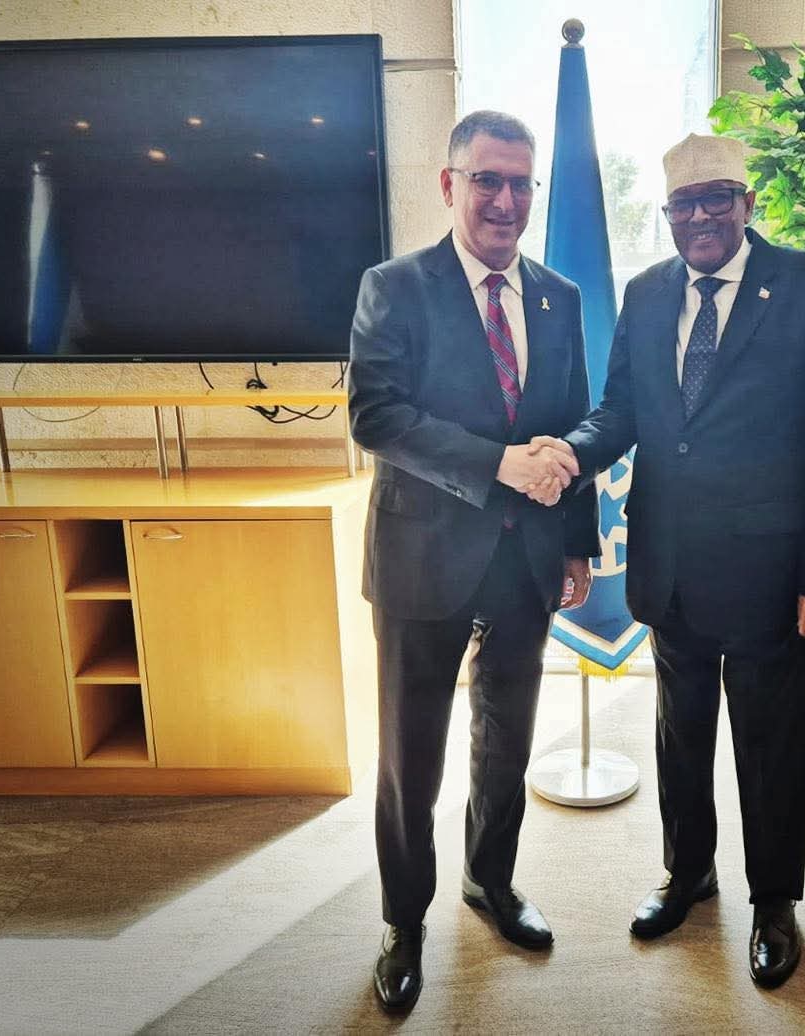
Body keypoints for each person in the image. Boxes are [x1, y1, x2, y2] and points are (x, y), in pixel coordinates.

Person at [533, 132, 805, 989]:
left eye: (718, 198)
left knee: (767, 743)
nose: (702, 216)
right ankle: (688, 874)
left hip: (768, 571)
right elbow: (621, 411)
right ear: (668, 213)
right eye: (685, 203)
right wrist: (568, 453)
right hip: (669, 562)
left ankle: (774, 902)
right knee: (680, 736)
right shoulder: (647, 292)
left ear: (748, 204)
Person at [347, 109, 598, 1015]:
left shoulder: (559, 296)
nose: (505, 199)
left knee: (507, 737)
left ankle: (490, 881)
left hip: (526, 556)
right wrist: (497, 464)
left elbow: (570, 423)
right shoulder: (393, 286)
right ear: (450, 183)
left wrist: (577, 541)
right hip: (422, 556)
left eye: (521, 182)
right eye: (487, 179)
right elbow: (376, 416)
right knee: (411, 755)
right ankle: (403, 921)